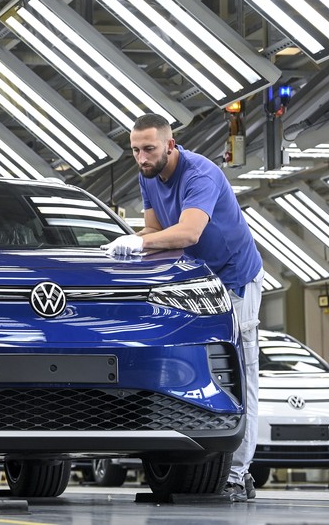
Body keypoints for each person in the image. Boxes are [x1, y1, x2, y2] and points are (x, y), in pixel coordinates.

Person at [103, 113, 264, 502]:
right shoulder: (147, 175)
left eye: (149, 149)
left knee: (241, 374)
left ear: (170, 145)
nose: (141, 158)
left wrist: (139, 244)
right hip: (193, 283)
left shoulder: (200, 175)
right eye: (136, 150)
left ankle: (238, 474)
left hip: (234, 280)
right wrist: (119, 242)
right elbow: (157, 232)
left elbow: (189, 232)